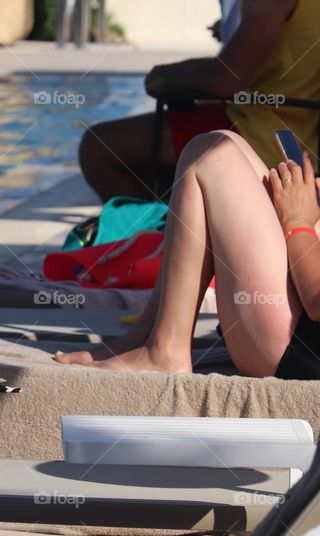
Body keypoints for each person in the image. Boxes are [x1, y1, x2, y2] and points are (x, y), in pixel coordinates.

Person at [56, 130, 320, 380]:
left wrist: (299, 224)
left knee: (212, 155)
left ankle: (166, 351)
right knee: (227, 141)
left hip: (298, 349)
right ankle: (147, 333)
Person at [79, 0, 320, 202]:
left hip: (266, 136)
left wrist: (164, 77)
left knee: (98, 148)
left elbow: (226, 79)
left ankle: (157, 243)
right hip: (293, 131)